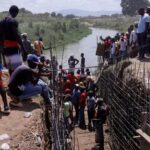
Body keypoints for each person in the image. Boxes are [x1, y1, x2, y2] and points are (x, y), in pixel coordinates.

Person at [1, 5, 24, 75]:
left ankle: (11, 84)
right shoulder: (13, 21)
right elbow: (16, 35)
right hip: (13, 48)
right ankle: (16, 84)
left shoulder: (1, 22)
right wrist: (23, 47)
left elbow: (0, 37)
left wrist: (2, 50)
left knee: (10, 69)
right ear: (15, 12)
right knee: (17, 69)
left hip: (6, 49)